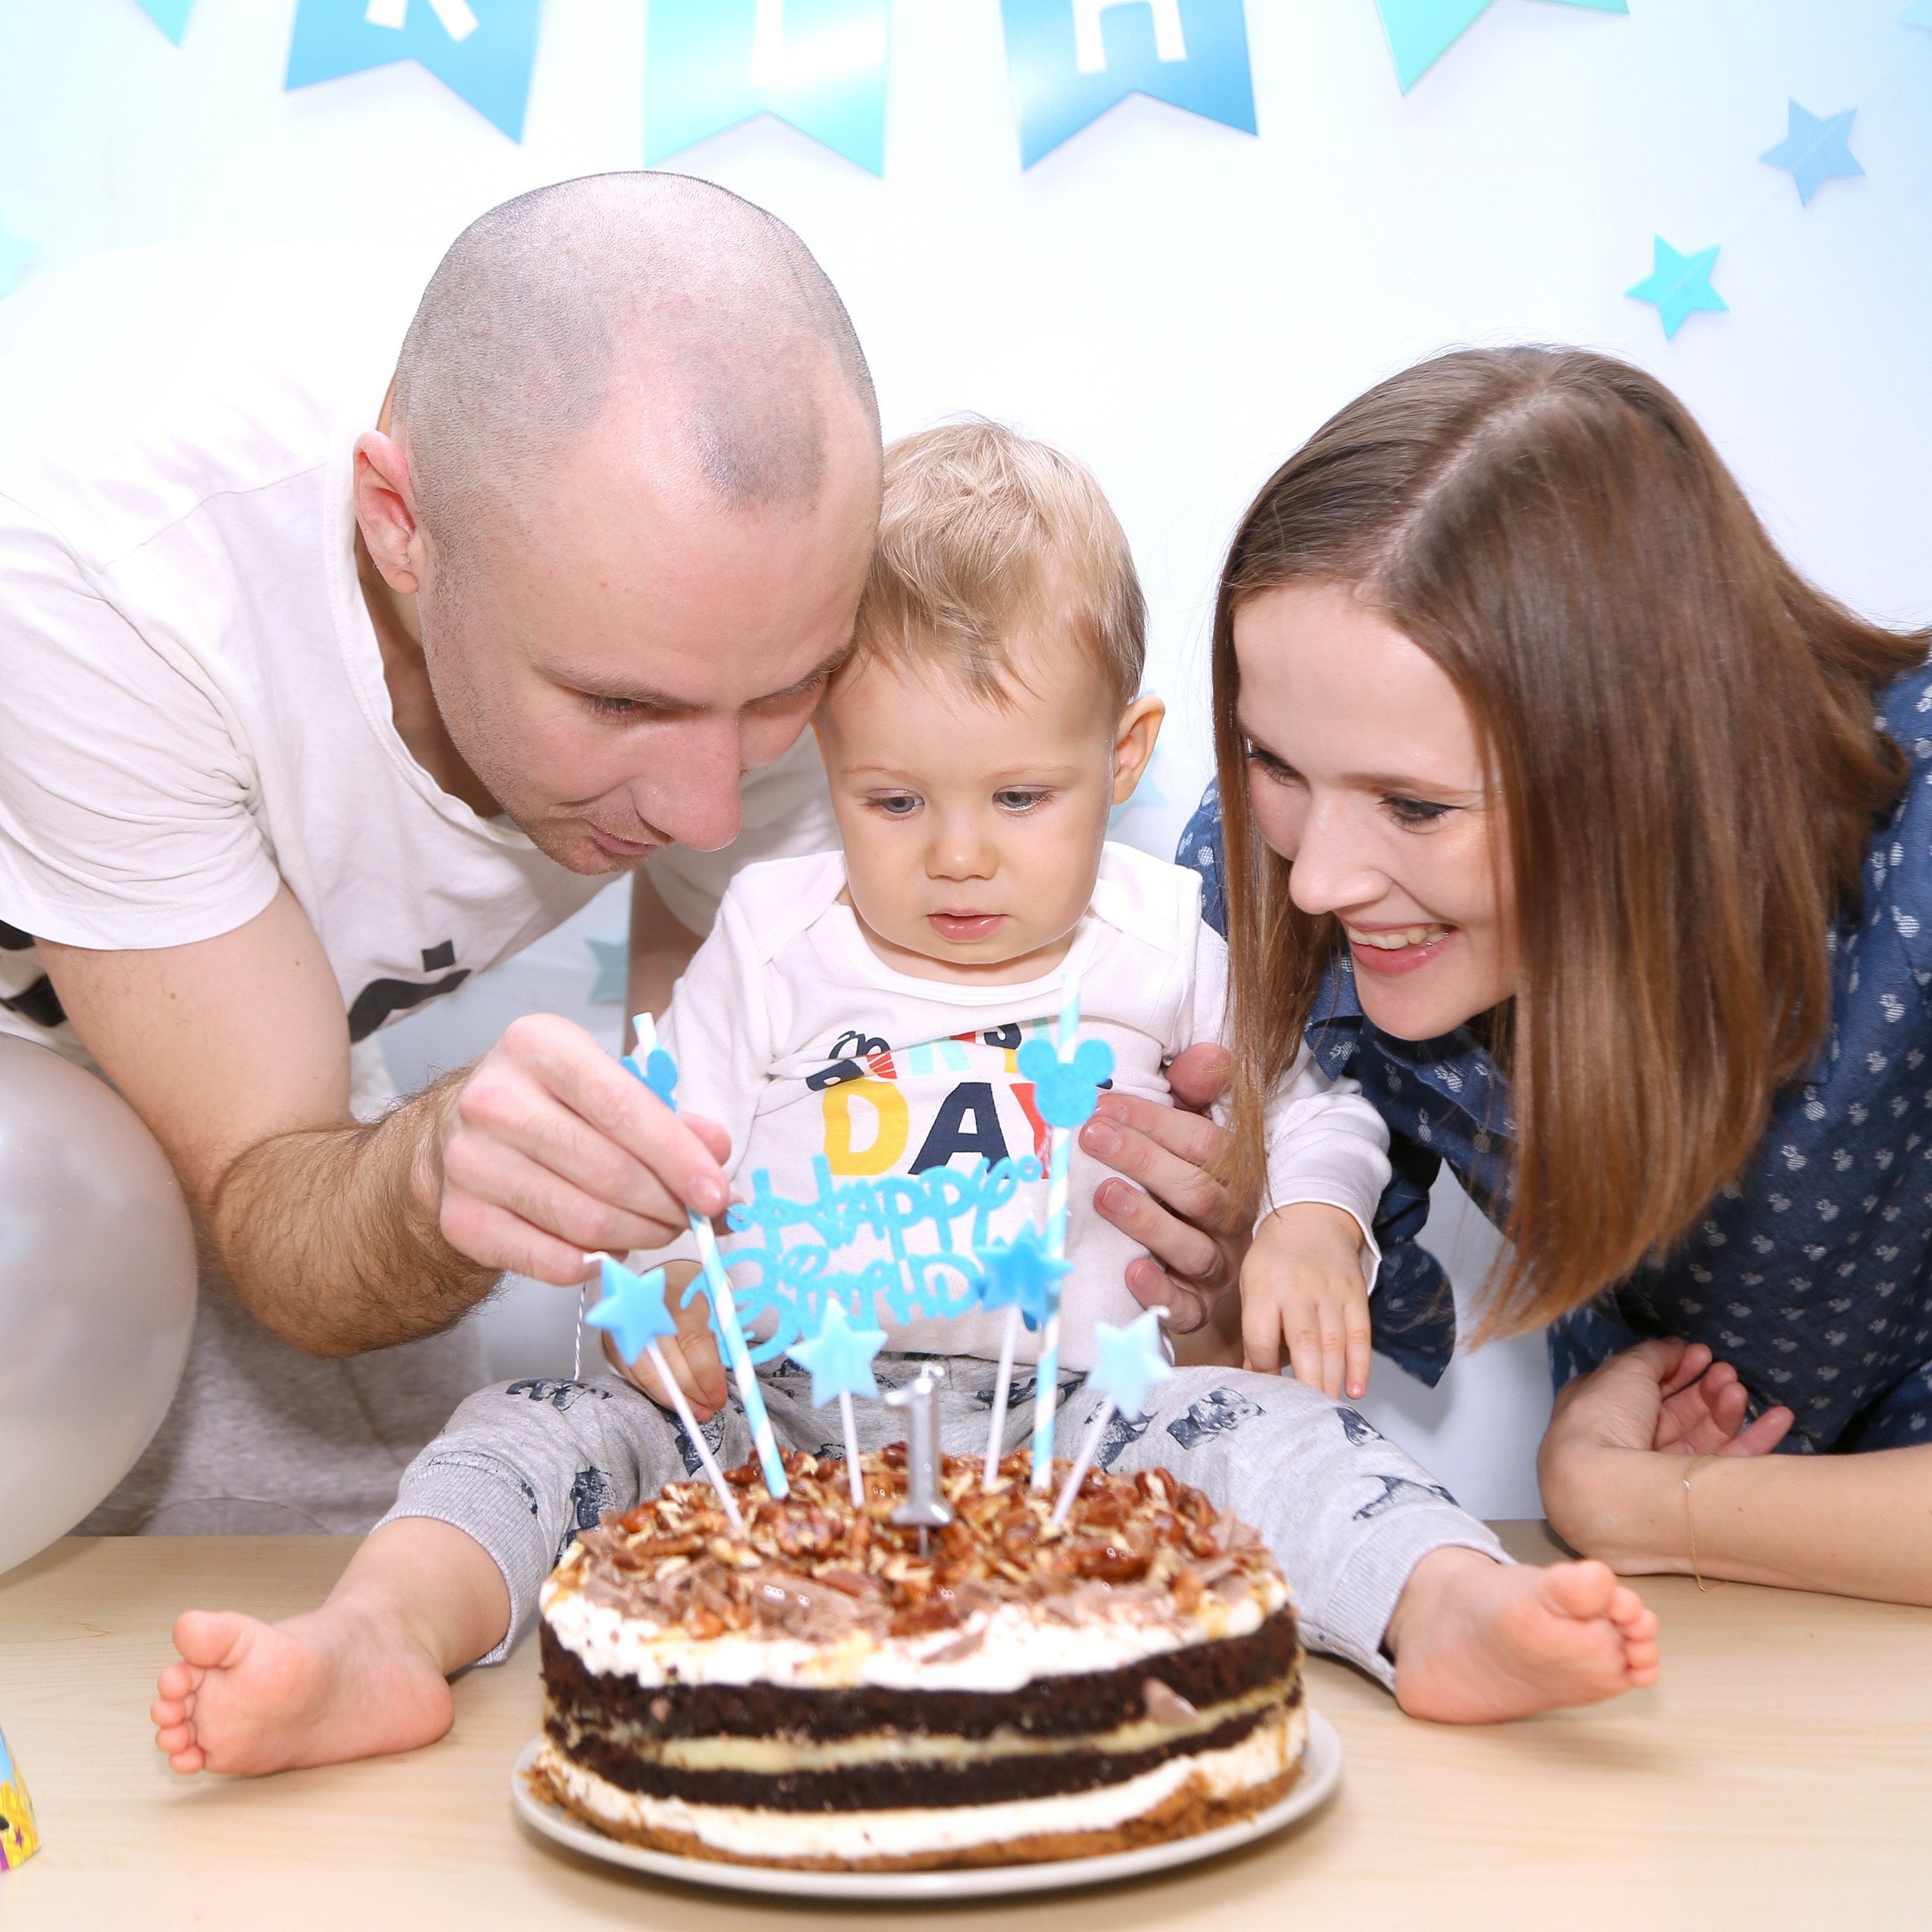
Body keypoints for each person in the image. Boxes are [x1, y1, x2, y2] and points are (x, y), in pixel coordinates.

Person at [149, 423, 1660, 1777]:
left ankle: (1449, 1611)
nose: (955, 857)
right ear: (824, 755)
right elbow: (659, 1147)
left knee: (1280, 1436)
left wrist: (1313, 1229)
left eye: (1017, 798)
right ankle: (378, 1637)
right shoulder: (767, 932)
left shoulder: (1158, 936)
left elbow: (1308, 1095)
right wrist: (669, 1280)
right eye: (894, 800)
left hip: (1092, 1419)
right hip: (780, 1424)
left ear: (1118, 754)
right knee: (526, 1423)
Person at [0, 173, 880, 1535]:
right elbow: (267, 1193)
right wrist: (420, 1172)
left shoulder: (746, 575)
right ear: (400, 525)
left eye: (786, 693)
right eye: (620, 704)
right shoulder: (110, 571)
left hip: (262, 1062)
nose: (713, 807)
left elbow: (735, 1019)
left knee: (397, 1550)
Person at [1110, 346, 1932, 1604]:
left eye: (1417, 806)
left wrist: (1639, 1503)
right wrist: (1224, 1272)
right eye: (1276, 762)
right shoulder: (1271, 882)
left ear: (1646, 767)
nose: (1319, 879)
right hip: (1682, 1637)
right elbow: (1252, 1385)